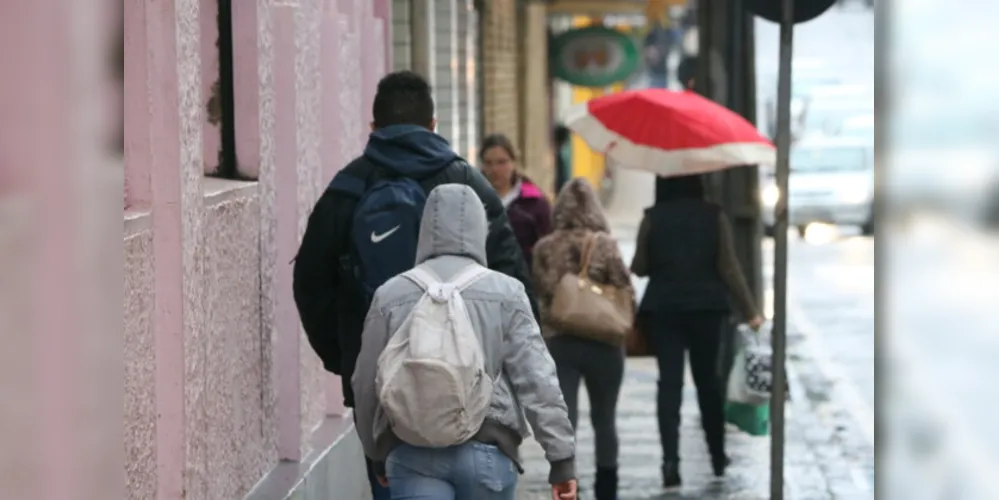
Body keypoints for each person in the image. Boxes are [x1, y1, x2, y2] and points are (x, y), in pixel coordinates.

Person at [291, 70, 538, 500]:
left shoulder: (347, 189)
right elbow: (512, 279)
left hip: (382, 385)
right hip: (469, 379)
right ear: (433, 126)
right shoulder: (467, 184)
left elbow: (310, 284)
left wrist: (349, 357)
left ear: (374, 128)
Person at [352, 184, 578, 500]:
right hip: (487, 451)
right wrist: (561, 459)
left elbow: (365, 382)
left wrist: (377, 450)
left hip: (411, 452)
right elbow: (538, 380)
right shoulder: (506, 293)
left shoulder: (391, 295)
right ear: (479, 229)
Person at [630, 174, 764, 491]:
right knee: (708, 384)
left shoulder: (652, 217)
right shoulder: (714, 215)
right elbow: (728, 266)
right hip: (707, 309)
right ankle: (717, 456)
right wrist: (750, 310)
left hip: (664, 310)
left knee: (670, 385)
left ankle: (670, 461)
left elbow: (640, 266)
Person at [531, 178, 634, 500]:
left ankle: (567, 486)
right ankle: (608, 489)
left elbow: (541, 296)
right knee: (606, 420)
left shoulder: (544, 248)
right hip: (605, 345)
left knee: (566, 422)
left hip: (561, 344)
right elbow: (626, 290)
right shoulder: (606, 244)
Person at [479, 133, 553, 272]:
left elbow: (549, 250)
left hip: (526, 284)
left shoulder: (535, 203)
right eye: (488, 163)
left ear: (513, 163)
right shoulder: (474, 201)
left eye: (502, 162)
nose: (495, 169)